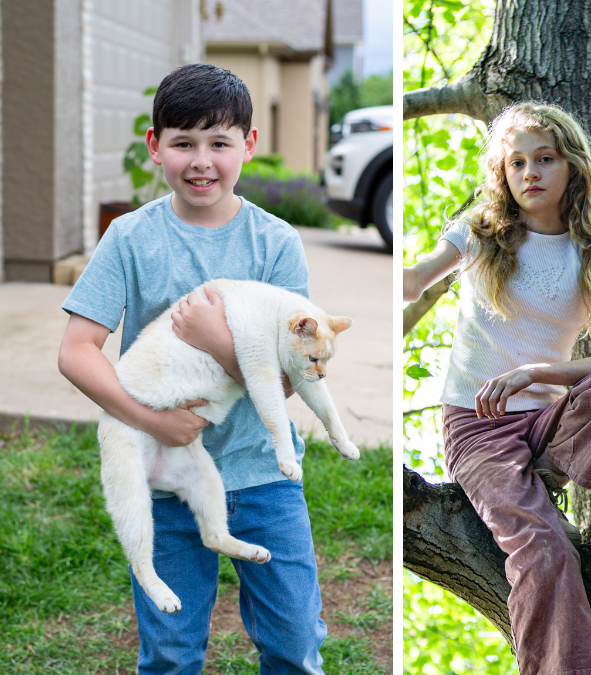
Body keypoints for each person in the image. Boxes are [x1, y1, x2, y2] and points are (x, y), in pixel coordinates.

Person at [58, 64, 328, 672]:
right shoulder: (130, 237)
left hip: (264, 477)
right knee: (171, 653)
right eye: (183, 143)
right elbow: (76, 349)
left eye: (219, 143)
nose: (201, 161)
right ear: (156, 147)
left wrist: (217, 339)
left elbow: (293, 377)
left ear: (249, 146)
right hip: (167, 480)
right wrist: (151, 423)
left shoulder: (275, 242)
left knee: (294, 646)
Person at [402, 101, 591, 675]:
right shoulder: (481, 235)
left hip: (549, 422)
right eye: (516, 163)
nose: (530, 173)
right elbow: (415, 280)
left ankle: (543, 474)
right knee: (544, 551)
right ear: (503, 174)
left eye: (544, 159)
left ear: (572, 168)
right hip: (479, 426)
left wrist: (536, 374)